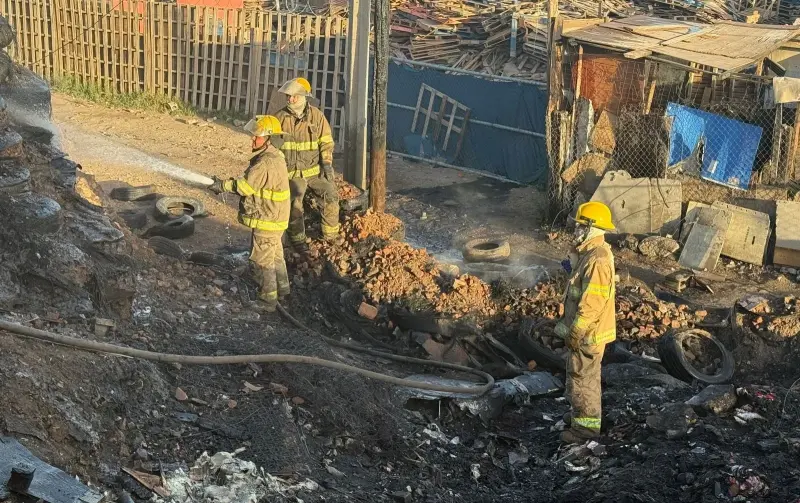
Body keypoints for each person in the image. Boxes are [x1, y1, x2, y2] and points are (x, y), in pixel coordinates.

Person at [208, 115, 290, 312]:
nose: (253, 139)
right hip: (276, 217)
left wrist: (223, 185)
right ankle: (283, 290)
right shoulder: (275, 156)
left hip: (267, 218)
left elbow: (245, 187)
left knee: (262, 260)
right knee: (275, 256)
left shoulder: (265, 162)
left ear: (269, 139)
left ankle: (268, 301)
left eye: (257, 136)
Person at [555, 201, 617, 444]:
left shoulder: (597, 260)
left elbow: (592, 304)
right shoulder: (589, 253)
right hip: (584, 330)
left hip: (589, 333)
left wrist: (576, 331)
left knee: (584, 380)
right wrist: (572, 260)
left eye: (581, 226)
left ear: (592, 227)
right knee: (577, 374)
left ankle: (585, 430)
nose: (576, 229)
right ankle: (578, 416)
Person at [273, 77, 340, 249]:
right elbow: (271, 149)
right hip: (291, 174)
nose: (290, 99)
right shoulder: (279, 118)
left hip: (313, 172)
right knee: (294, 204)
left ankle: (330, 237)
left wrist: (327, 163)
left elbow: (326, 142)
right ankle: (298, 242)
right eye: (288, 96)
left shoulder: (317, 116)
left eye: (294, 96)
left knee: (330, 193)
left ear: (304, 97)